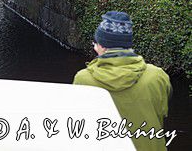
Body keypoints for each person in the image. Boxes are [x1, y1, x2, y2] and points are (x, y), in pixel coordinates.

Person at [73, 11, 172, 151]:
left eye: (95, 42)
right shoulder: (157, 76)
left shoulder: (83, 79)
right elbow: (162, 112)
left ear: (102, 46)